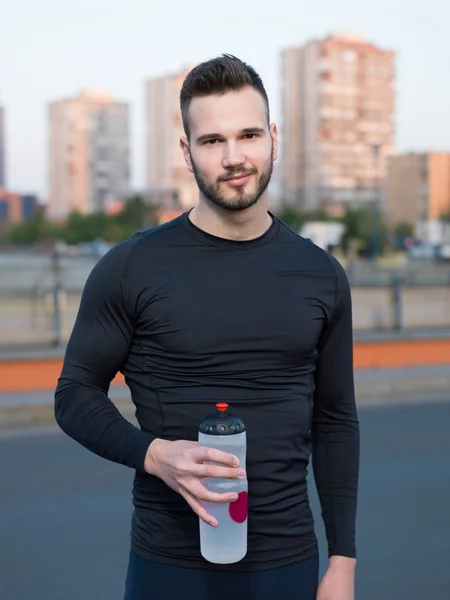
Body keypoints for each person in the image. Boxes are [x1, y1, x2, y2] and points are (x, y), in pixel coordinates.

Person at [54, 54, 360, 600]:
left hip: (288, 563)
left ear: (273, 137)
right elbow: (74, 394)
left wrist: (343, 562)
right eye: (212, 140)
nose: (234, 157)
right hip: (169, 567)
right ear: (186, 150)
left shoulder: (322, 274)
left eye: (247, 135)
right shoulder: (130, 268)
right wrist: (153, 454)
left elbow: (335, 420)